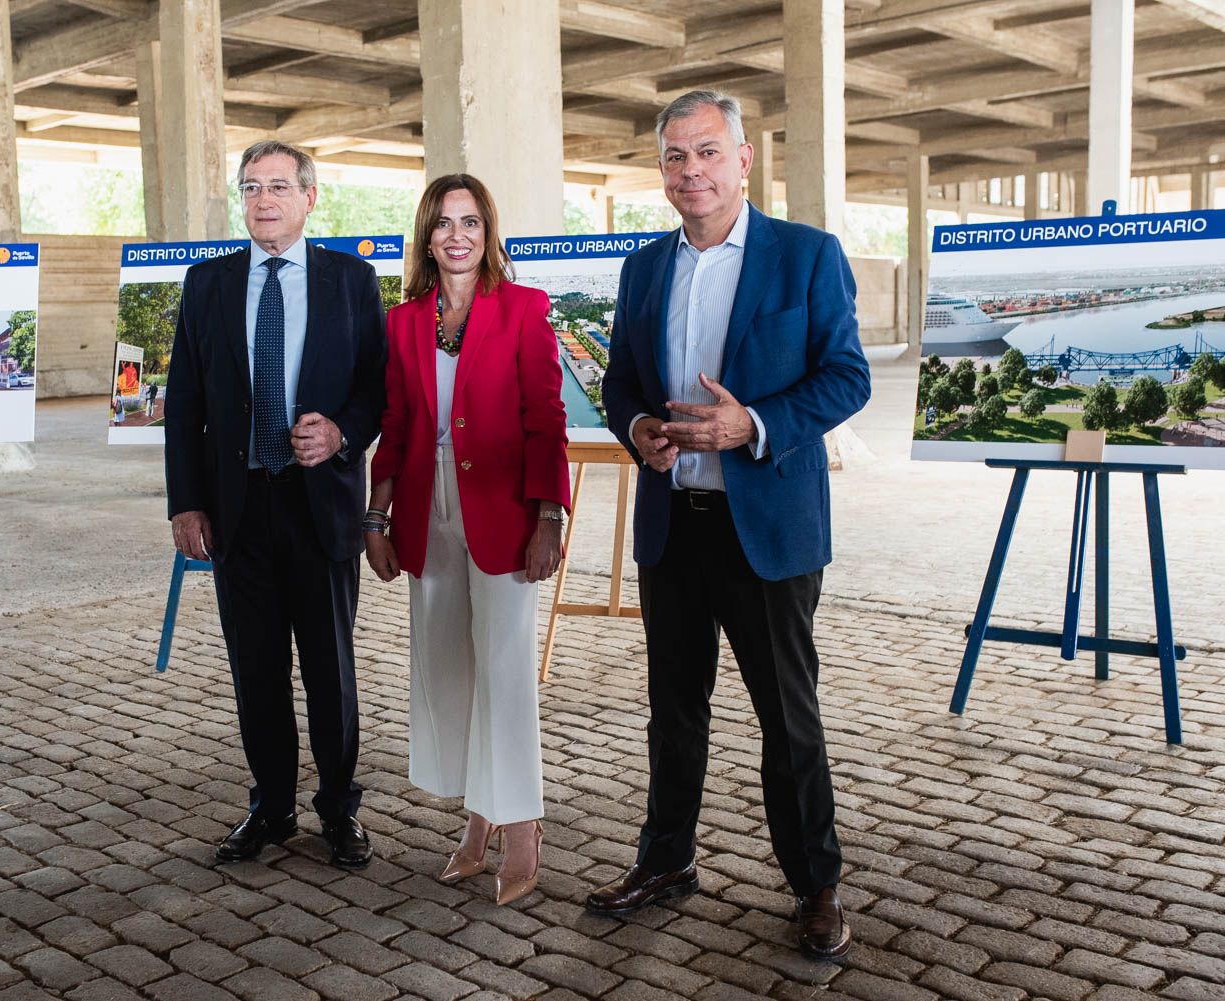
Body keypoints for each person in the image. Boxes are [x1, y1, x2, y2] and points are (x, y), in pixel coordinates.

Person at [587, 90, 871, 961]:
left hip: (768, 529)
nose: (691, 171)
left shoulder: (806, 257)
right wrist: (638, 430)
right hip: (676, 523)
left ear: (745, 159)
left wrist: (754, 424)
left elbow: (848, 378)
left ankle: (816, 884)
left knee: (788, 719)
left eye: (707, 152)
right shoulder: (641, 270)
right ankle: (666, 860)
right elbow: (622, 385)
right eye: (675, 157)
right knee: (673, 712)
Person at [165, 140, 387, 870]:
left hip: (319, 504)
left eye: (281, 186)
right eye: (253, 186)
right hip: (236, 508)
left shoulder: (351, 281)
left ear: (310, 197)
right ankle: (270, 807)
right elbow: (185, 404)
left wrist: (344, 431)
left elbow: (376, 387)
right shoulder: (207, 284)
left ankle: (338, 811)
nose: (265, 199)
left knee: (330, 668)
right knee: (255, 669)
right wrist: (186, 504)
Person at [364, 174, 570, 906]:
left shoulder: (523, 309)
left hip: (505, 510)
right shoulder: (403, 322)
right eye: (445, 222)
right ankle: (477, 820)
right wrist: (376, 518)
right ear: (427, 235)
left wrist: (551, 517)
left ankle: (521, 829)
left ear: (489, 233)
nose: (458, 235)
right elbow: (397, 425)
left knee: (507, 669)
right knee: (450, 667)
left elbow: (547, 418)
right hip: (428, 509)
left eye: (472, 222)